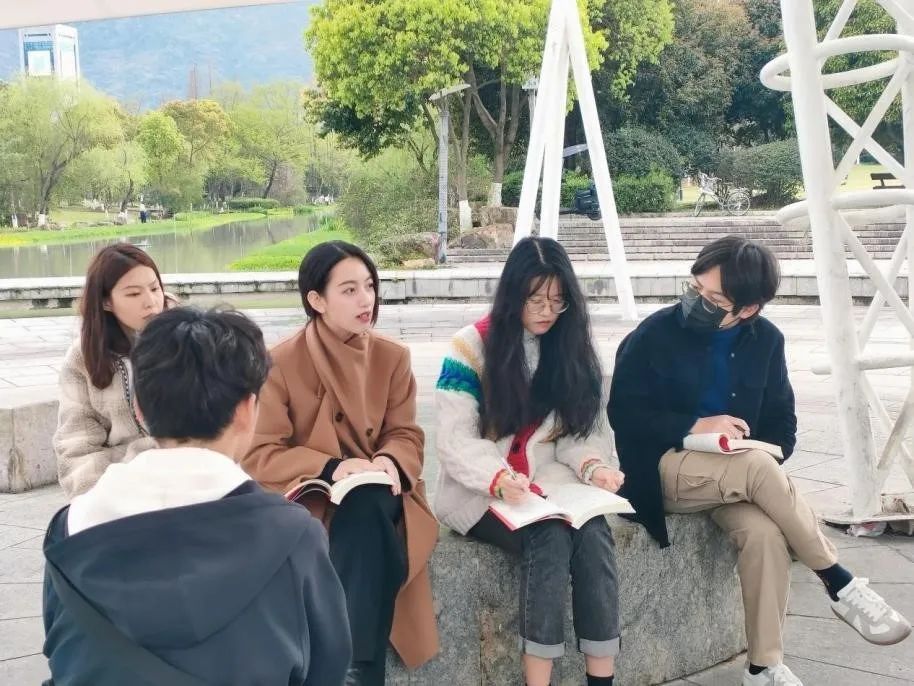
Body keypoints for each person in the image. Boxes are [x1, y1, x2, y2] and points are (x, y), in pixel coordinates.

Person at [608, 236, 911, 686]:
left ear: (748, 308)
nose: (697, 303)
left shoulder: (767, 340)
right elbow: (624, 414)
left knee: (765, 533)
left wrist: (750, 447)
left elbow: (783, 426)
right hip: (663, 468)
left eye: (714, 300)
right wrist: (696, 425)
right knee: (755, 468)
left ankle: (763, 667)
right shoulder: (654, 333)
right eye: (695, 289)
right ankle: (838, 580)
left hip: (734, 475)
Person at [42, 307, 351, 685]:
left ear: (139, 409)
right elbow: (327, 668)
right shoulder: (294, 538)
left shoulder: (70, 530)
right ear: (248, 409)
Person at [243, 241, 438, 684]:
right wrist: (331, 468)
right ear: (316, 300)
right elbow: (260, 453)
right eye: (349, 290)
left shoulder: (392, 357)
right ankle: (358, 670)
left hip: (382, 492)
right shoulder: (279, 362)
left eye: (369, 286)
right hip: (310, 497)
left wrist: (388, 460)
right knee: (366, 529)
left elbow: (406, 433)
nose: (366, 299)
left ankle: (349, 668)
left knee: (368, 505)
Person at [434, 236, 624, 686]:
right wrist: (498, 478)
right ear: (513, 294)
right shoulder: (470, 347)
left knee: (594, 533)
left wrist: (594, 467)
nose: (547, 311)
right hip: (481, 489)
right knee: (550, 536)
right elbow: (455, 439)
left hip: (549, 484)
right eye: (535, 299)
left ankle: (602, 678)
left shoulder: (570, 347)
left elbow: (578, 433)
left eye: (557, 301)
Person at [54, 244, 176, 498]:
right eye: (133, 294)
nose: (151, 302)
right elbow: (77, 446)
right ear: (106, 301)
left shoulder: (189, 340)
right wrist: (99, 501)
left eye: (155, 288)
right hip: (120, 487)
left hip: (187, 476)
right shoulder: (82, 359)